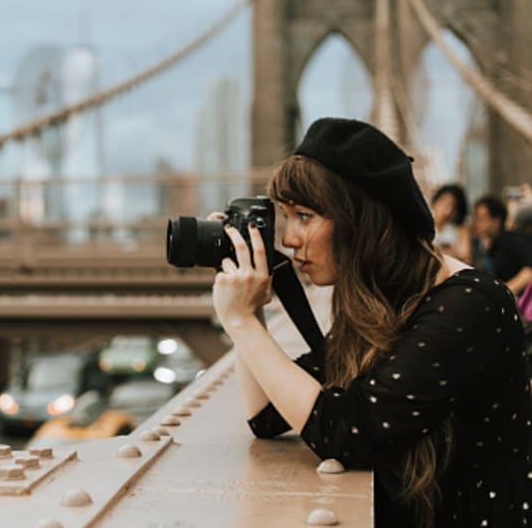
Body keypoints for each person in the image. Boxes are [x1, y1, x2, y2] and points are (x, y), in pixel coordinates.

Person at [212, 118, 531, 528]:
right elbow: (268, 414)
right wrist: (250, 304)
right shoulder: (379, 300)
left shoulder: (470, 304)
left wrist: (239, 322)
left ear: (361, 220)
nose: (289, 238)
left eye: (305, 216)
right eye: (286, 216)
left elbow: (349, 432)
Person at [472, 194, 532, 296]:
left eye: (481, 219)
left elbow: (530, 270)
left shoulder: (512, 240)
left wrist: (505, 292)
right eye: (476, 218)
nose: (477, 223)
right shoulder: (482, 244)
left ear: (496, 221)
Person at [430, 183, 471, 262]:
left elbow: (466, 258)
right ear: (435, 201)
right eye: (444, 202)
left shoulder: (460, 228)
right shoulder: (425, 224)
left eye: (452, 206)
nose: (447, 210)